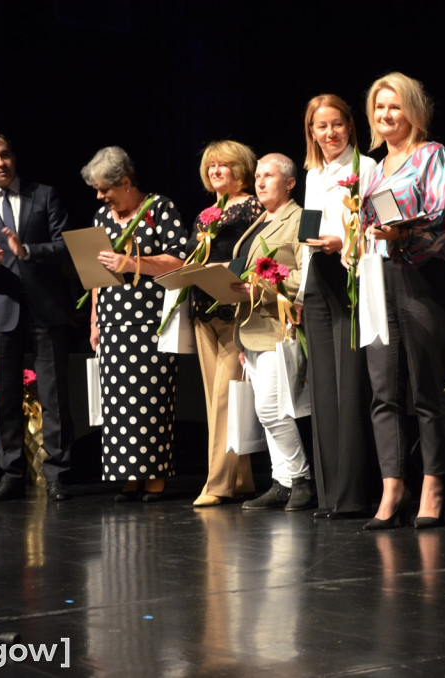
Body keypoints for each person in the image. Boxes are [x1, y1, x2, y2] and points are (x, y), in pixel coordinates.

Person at [359, 72, 445, 530]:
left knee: (425, 387)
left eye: (394, 107)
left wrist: (401, 232)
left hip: (421, 275)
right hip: (380, 277)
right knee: (383, 391)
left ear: (413, 110)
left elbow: (441, 218)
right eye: (379, 108)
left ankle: (433, 484)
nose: (386, 116)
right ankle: (392, 485)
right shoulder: (375, 168)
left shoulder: (431, 155)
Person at [0, 133, 75, 503]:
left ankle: (57, 474)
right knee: (5, 396)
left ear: (14, 155)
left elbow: (64, 247)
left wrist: (28, 251)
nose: (0, 163)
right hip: (1, 307)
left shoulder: (45, 194)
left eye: (4, 154)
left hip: (45, 304)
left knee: (53, 395)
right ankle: (11, 475)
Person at [82, 146, 188, 502]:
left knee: (151, 397)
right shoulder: (102, 218)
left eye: (105, 189)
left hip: (149, 319)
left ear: (125, 183)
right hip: (112, 320)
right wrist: (95, 319)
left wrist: (131, 263)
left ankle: (155, 475)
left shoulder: (160, 208)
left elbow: (178, 261)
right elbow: (97, 274)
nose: (100, 196)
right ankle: (129, 475)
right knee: (116, 402)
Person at [299, 94, 378, 519]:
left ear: (349, 125)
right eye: (320, 127)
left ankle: (353, 496)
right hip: (317, 279)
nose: (329, 134)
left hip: (350, 274)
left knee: (350, 386)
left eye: (336, 125)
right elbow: (307, 234)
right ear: (311, 132)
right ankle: (328, 495)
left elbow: (374, 227)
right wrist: (296, 294)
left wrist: (342, 243)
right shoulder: (314, 173)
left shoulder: (366, 168)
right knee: (323, 389)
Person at [232, 153, 313, 511]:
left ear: (290, 183)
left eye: (269, 175)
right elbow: (240, 271)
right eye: (258, 176)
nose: (260, 182)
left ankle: (302, 479)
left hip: (280, 327)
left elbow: (305, 277)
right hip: (250, 329)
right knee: (268, 412)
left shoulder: (304, 217)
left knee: (272, 409)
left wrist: (259, 287)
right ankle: (281, 481)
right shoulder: (257, 223)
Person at [190, 141, 263, 508]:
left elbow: (257, 254)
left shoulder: (253, 206)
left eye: (225, 165)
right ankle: (241, 477)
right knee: (215, 401)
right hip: (203, 312)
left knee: (225, 400)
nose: (217, 171)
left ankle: (218, 484)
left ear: (242, 170)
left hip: (235, 311)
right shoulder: (206, 213)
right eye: (212, 166)